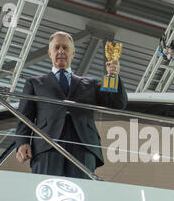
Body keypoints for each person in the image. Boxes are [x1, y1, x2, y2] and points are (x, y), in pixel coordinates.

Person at [15, 31, 127, 179]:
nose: (61, 51)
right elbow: (24, 115)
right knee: (46, 190)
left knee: (81, 192)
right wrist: (22, 142)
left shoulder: (91, 84)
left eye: (65, 48)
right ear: (50, 53)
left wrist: (113, 76)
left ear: (73, 53)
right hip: (47, 143)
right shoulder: (34, 83)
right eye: (56, 48)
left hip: (83, 144)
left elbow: (116, 104)